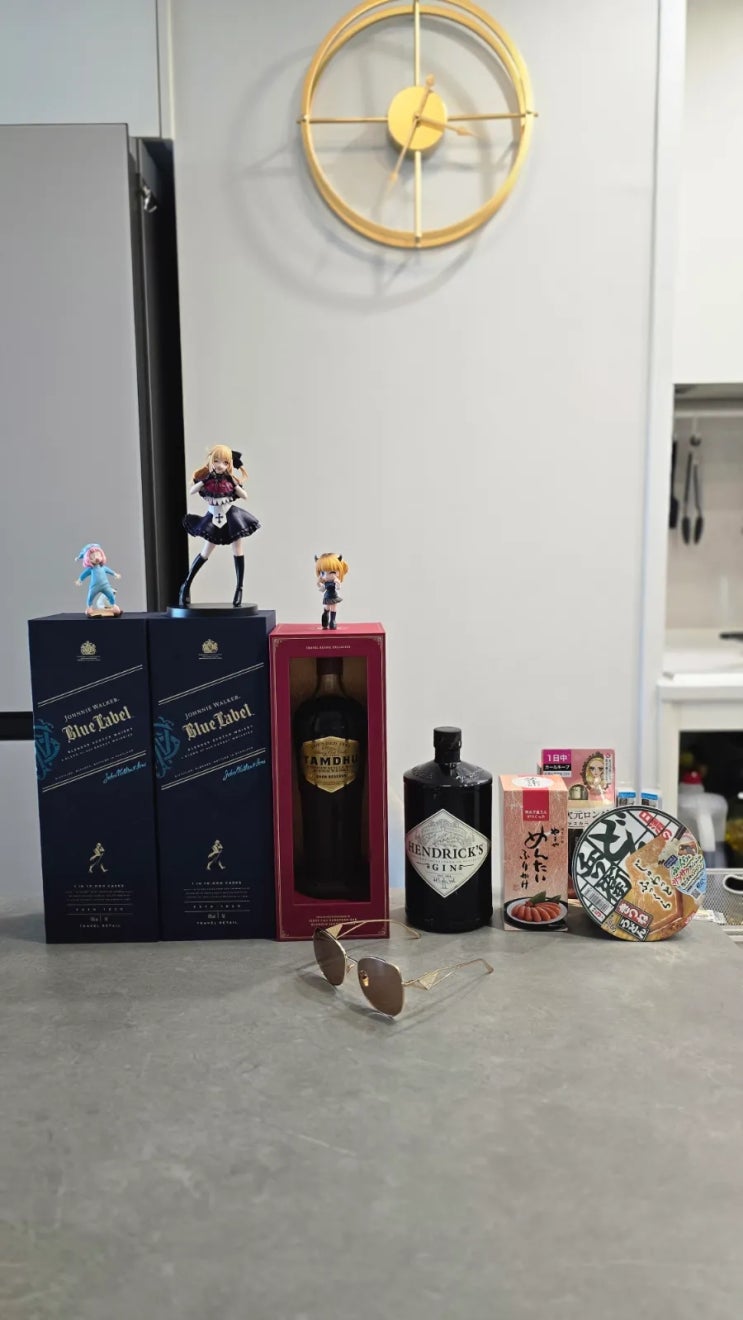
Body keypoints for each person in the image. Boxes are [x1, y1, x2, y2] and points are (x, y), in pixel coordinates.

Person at [179, 446, 260, 607]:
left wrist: (235, 484)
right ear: (211, 461)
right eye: (216, 461)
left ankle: (239, 588)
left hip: (232, 518)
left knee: (237, 550)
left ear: (229, 464)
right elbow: (192, 491)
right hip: (213, 519)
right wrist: (204, 481)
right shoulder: (208, 480)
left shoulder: (230, 481)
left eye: (224, 462)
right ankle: (186, 585)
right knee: (205, 552)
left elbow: (244, 496)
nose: (220, 465)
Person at [74, 544, 122, 616]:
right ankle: (89, 607)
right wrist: (80, 580)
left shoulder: (103, 567)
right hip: (94, 587)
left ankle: (113, 606)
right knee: (90, 597)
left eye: (98, 555)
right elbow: (84, 574)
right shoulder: (91, 569)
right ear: (87, 559)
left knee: (111, 595)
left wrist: (115, 574)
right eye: (92, 557)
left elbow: (110, 571)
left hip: (105, 585)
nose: (96, 558)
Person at [314, 552, 349, 629]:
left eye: (332, 572)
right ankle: (325, 618)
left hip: (334, 596)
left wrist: (338, 583)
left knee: (333, 608)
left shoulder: (335, 581)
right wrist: (318, 583)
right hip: (327, 596)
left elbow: (338, 588)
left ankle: (332, 621)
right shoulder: (326, 583)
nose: (327, 575)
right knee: (327, 608)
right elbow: (322, 589)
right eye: (323, 573)